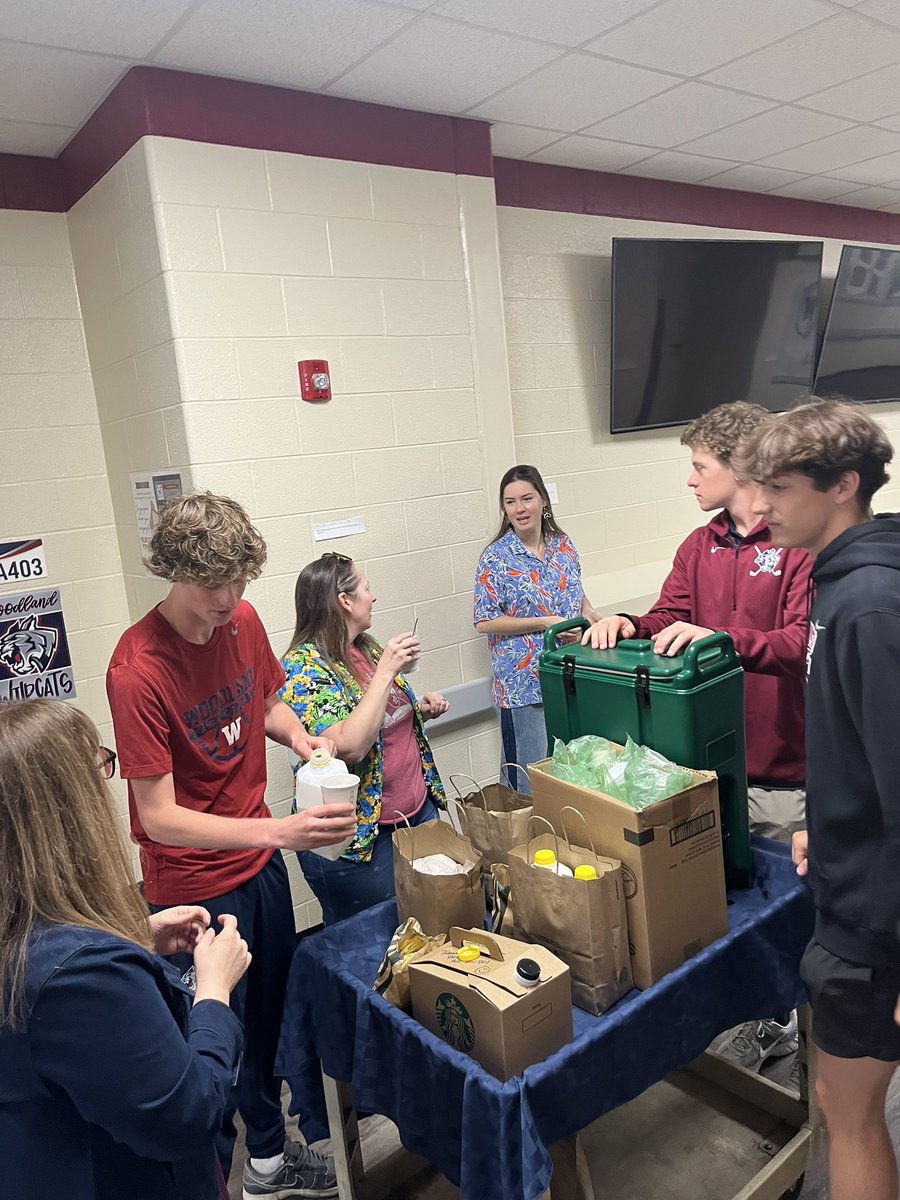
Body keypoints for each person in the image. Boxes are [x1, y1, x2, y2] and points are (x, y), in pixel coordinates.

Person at [106, 492, 356, 1200]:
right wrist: (279, 830)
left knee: (270, 1020)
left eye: (239, 581)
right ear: (173, 573)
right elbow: (158, 816)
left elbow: (266, 700)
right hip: (192, 884)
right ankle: (208, 1180)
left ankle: (269, 1163)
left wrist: (298, 735)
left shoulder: (241, 621)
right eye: (211, 584)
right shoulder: (137, 668)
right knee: (211, 1038)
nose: (228, 598)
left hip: (258, 865)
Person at [582, 402, 813, 1072]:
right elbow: (670, 616)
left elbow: (800, 644)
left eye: (698, 466)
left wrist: (725, 640)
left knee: (787, 911)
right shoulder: (699, 546)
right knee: (724, 903)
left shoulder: (793, 545)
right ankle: (745, 1009)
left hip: (780, 767)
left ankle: (795, 1027)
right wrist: (629, 625)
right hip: (706, 772)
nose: (690, 479)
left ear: (740, 466)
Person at [735, 396, 900, 1200]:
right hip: (852, 880)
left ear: (842, 486)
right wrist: (830, 836)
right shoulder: (840, 585)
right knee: (843, 1102)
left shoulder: (868, 603)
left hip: (876, 927)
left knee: (850, 1110)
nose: (759, 506)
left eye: (780, 487)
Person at [0, 698, 251, 1200]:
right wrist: (214, 993)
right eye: (98, 765)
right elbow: (186, 1115)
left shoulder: (30, 939)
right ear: (67, 806)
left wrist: (131, 937)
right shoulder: (82, 977)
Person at [280, 551, 449, 925]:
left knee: (423, 931)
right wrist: (388, 670)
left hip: (415, 815)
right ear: (345, 600)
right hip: (363, 842)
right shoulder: (302, 666)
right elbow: (350, 744)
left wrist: (416, 709)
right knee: (370, 947)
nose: (373, 598)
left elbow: (376, 719)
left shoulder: (365, 647)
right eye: (367, 589)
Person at [474, 464, 601, 794]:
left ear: (543, 500)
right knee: (528, 782)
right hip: (523, 684)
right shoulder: (496, 557)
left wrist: (588, 612)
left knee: (571, 773)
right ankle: (521, 844)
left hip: (570, 674)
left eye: (527, 498)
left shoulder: (563, 544)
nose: (520, 508)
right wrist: (544, 623)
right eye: (510, 502)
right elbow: (484, 621)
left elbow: (573, 588)